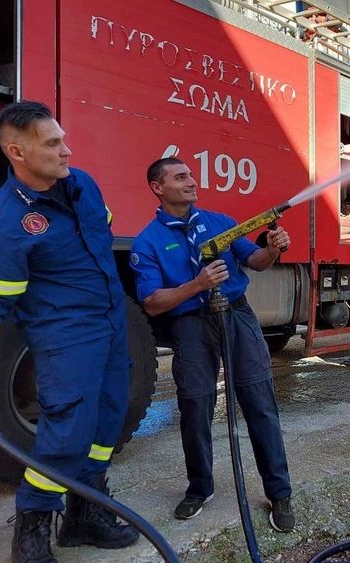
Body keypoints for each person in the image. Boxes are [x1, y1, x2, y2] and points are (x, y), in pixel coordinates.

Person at [0, 101, 138, 562]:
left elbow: (101, 237)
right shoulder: (6, 225)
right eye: (53, 144)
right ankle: (32, 527)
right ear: (16, 152)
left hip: (112, 325)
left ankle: (85, 514)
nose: (67, 151)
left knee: (107, 419)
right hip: (66, 337)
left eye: (64, 139)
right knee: (67, 432)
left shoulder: (82, 186)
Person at [130, 157, 295, 531]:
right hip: (190, 326)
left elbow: (255, 260)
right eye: (180, 177)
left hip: (236, 316)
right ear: (158, 187)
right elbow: (152, 302)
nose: (191, 181)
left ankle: (280, 493)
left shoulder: (219, 223)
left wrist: (272, 249)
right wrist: (197, 286)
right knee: (194, 408)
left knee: (260, 404)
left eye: (190, 174)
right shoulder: (148, 242)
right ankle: (199, 488)